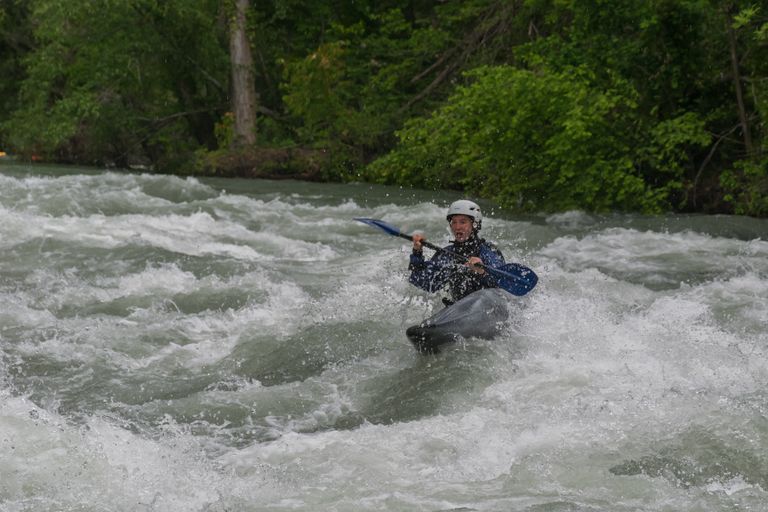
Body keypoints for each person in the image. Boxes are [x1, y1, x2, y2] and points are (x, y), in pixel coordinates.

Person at [409, 199, 506, 306]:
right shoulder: (446, 254)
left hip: (487, 306)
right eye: (454, 222)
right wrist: (417, 252)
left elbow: (501, 284)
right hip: (459, 309)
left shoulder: (489, 251)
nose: (457, 227)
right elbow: (422, 282)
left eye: (463, 222)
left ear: (475, 224)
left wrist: (482, 272)